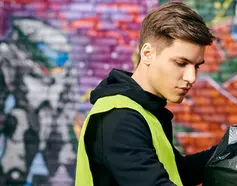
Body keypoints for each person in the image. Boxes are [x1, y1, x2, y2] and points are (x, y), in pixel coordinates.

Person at [75, 2, 217, 186]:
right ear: (148, 53)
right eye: (181, 63)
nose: (192, 77)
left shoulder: (143, 110)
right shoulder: (120, 119)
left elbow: (177, 171)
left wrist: (233, 147)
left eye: (197, 66)